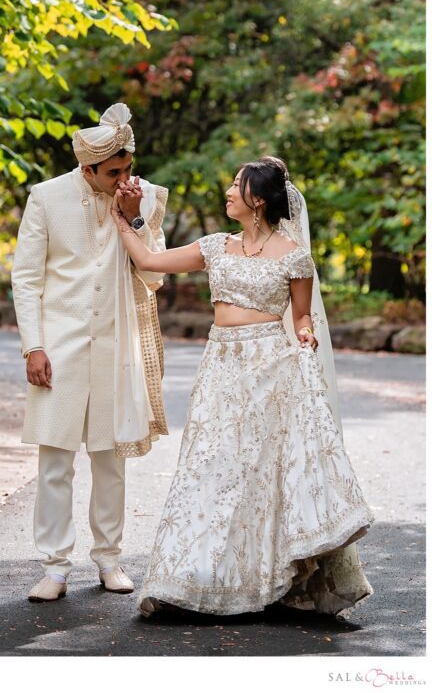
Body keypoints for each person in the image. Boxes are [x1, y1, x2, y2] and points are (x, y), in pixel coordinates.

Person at [112, 156, 374, 616]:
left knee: (256, 476)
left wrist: (307, 334)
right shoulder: (216, 246)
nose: (229, 192)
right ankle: (192, 578)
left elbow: (301, 317)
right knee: (209, 469)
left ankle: (264, 581)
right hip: (220, 368)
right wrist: (129, 220)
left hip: (270, 371)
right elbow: (151, 261)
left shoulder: (295, 256)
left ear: (257, 200)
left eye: (237, 186)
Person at [11, 103, 170, 603]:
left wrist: (134, 214)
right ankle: (55, 566)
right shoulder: (46, 198)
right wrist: (33, 346)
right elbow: (27, 277)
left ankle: (110, 558)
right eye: (114, 173)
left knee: (110, 459)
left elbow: (155, 272)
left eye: (128, 168)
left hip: (115, 347)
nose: (125, 178)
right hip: (57, 347)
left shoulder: (143, 199)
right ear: (87, 169)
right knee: (55, 461)